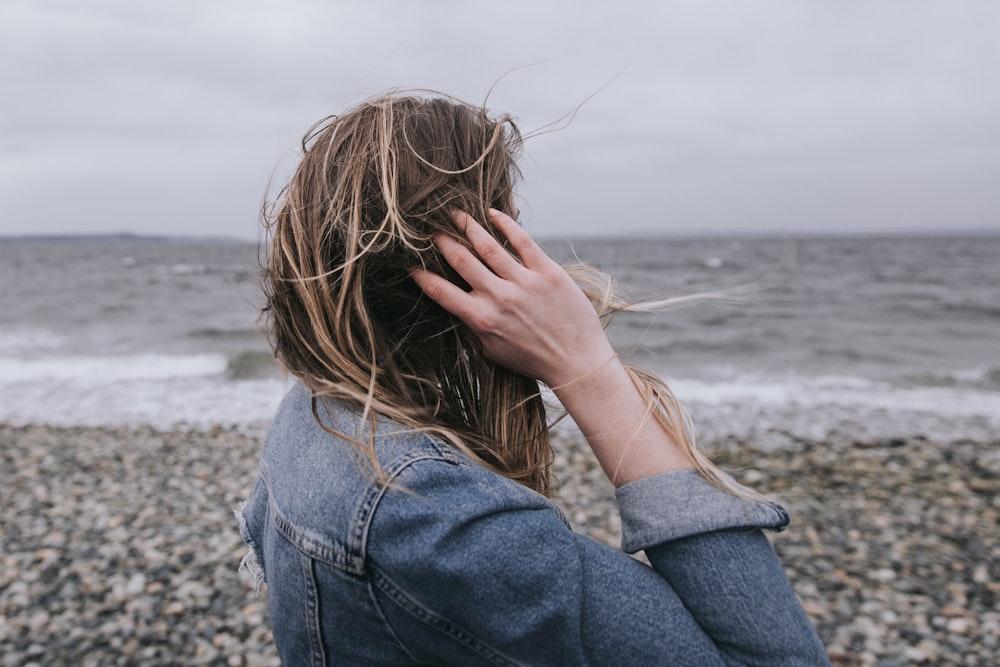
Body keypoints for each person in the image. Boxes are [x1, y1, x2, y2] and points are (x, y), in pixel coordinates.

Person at [236, 91, 830, 665]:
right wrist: (585, 366)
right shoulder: (437, 521)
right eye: (511, 225)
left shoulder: (313, 413)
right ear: (480, 260)